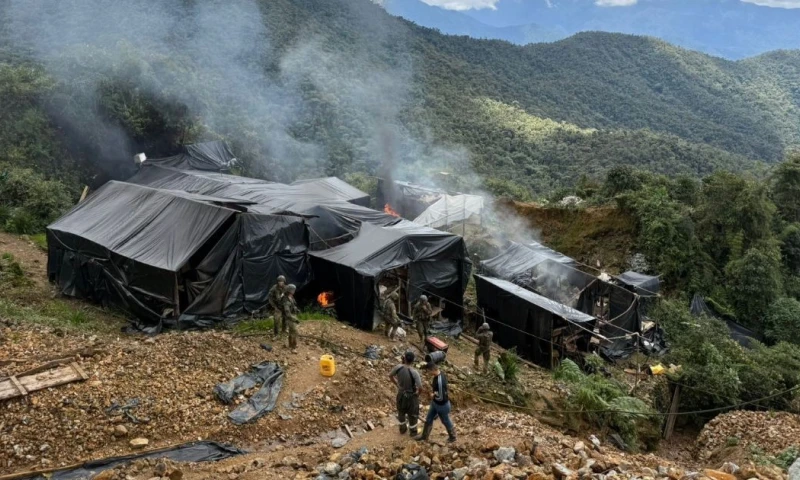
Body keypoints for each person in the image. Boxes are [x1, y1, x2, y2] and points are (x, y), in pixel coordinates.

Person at [415, 361, 456, 443]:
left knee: (445, 421)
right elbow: (439, 393)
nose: (428, 373)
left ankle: (452, 437)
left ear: (433, 370)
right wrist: (434, 394)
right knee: (429, 418)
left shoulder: (440, 381)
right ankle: (424, 436)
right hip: (435, 403)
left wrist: (433, 396)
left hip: (442, 405)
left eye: (429, 371)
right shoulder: (437, 376)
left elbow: (441, 397)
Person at [389, 351, 422, 436]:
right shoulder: (414, 372)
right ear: (413, 360)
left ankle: (402, 429)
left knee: (401, 412)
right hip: (411, 396)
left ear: (404, 358)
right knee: (413, 414)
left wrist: (397, 384)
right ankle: (413, 432)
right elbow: (420, 387)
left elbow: (390, 375)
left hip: (400, 394)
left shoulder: (398, 367)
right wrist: (417, 394)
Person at [282, 284, 300, 350]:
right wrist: (295, 319)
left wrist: (296, 309)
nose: (294, 291)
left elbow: (293, 305)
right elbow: (287, 313)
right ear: (290, 290)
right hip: (289, 317)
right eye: (293, 290)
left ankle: (292, 344)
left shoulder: (291, 297)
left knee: (293, 331)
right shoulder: (285, 300)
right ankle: (292, 346)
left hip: (293, 315)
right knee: (293, 331)